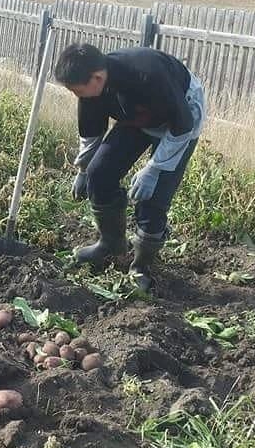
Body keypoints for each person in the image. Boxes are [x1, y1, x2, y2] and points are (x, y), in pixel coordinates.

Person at [53, 42, 206, 291]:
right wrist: (84, 170)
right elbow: (91, 134)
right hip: (138, 117)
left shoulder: (148, 75)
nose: (75, 95)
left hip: (179, 120)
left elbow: (183, 125)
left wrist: (154, 168)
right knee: (100, 174)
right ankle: (111, 243)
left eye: (76, 90)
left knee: (153, 196)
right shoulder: (91, 89)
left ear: (98, 77)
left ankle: (141, 267)